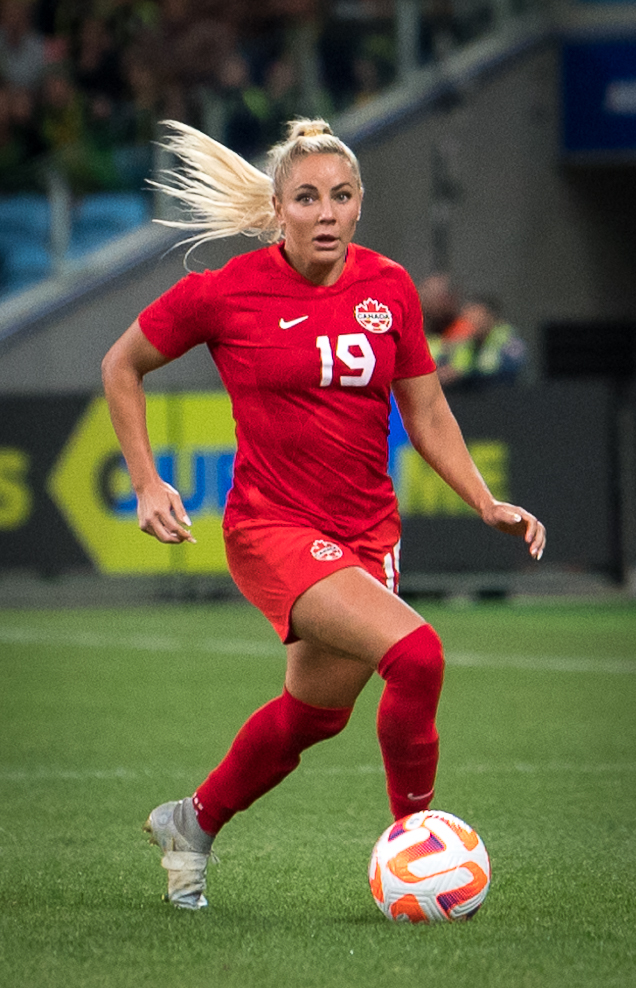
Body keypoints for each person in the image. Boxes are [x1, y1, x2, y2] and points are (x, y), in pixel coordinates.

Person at [101, 118, 546, 911]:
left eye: (341, 196)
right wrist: (146, 481)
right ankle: (419, 850)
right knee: (419, 657)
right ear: (278, 209)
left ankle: (190, 823)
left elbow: (427, 409)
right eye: (307, 197)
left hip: (367, 534)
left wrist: (484, 500)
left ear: (359, 206)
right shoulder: (223, 292)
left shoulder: (390, 288)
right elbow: (121, 363)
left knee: (313, 719)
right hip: (270, 529)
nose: (327, 212)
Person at [436, 294, 527, 391]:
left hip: (501, 395)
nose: (470, 321)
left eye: (476, 317)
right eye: (467, 317)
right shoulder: (463, 341)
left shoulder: (507, 339)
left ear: (490, 317)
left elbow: (511, 368)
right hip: (470, 398)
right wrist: (448, 348)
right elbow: (443, 364)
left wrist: (464, 374)